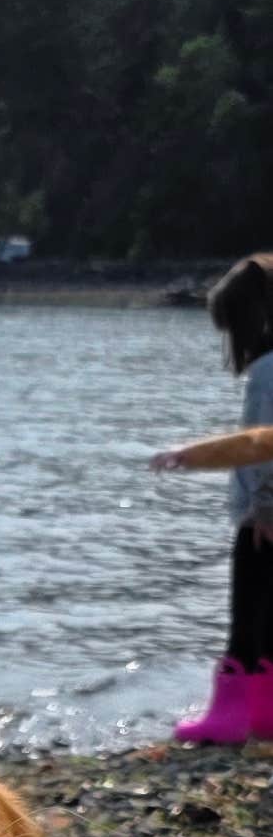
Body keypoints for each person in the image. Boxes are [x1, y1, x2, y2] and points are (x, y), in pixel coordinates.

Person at [151, 250, 273, 742]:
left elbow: (263, 443)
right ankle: (260, 716)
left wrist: (264, 506)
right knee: (266, 618)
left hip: (264, 518)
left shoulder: (268, 371)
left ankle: (233, 717)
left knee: (248, 616)